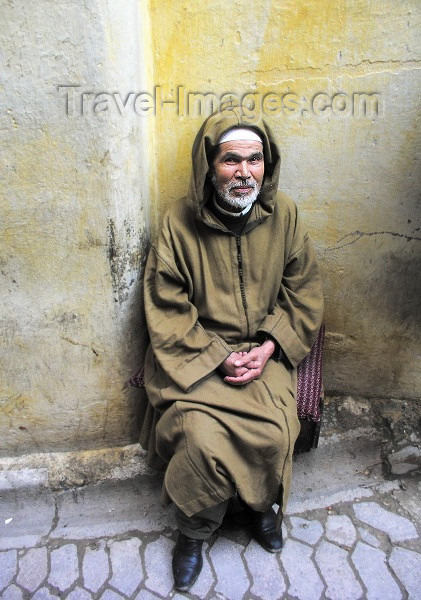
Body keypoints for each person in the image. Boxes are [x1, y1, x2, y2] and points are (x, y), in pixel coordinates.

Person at [142, 108, 324, 591]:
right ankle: (194, 530)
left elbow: (302, 291)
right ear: (209, 167)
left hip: (264, 350)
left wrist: (268, 347)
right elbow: (167, 307)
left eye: (255, 160)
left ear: (268, 165)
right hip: (196, 356)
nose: (245, 173)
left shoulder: (285, 215)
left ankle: (263, 509)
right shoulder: (178, 225)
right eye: (231, 161)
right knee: (200, 434)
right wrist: (217, 355)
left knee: (277, 427)